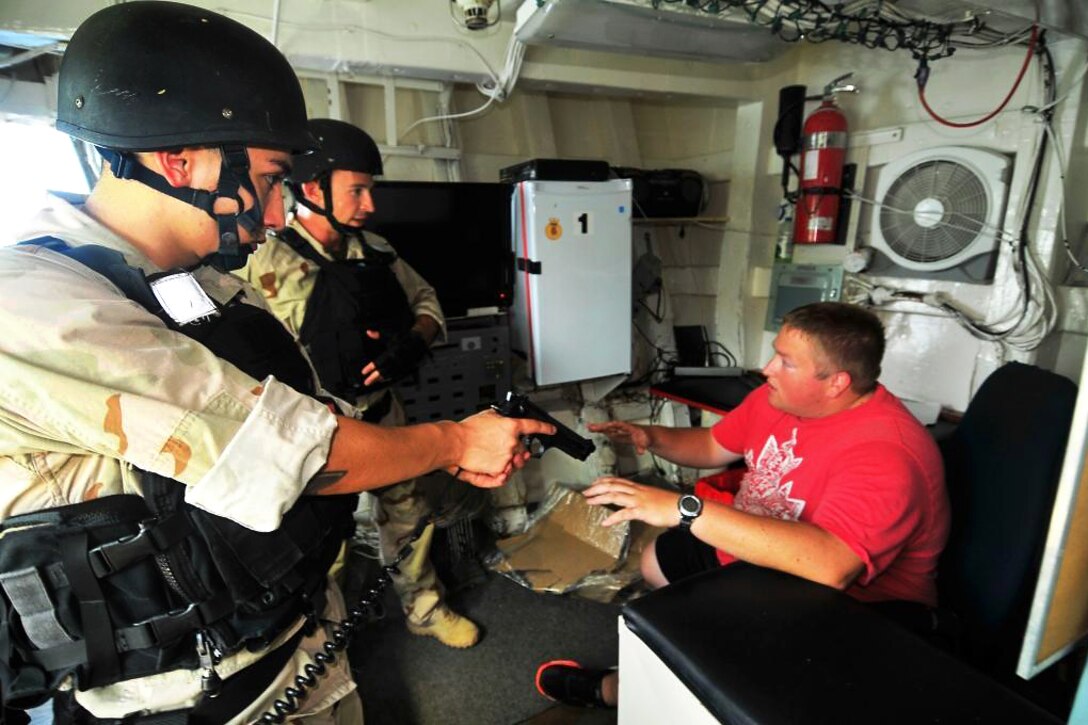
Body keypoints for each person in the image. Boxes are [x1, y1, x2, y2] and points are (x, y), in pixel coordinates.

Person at [0, 3, 551, 723]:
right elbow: (292, 453)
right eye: (267, 179)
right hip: (189, 695)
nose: (268, 215)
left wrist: (425, 448)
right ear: (180, 159)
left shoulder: (204, 285)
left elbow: (313, 410)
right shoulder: (40, 306)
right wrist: (451, 441)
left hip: (292, 638)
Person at [535, 301, 949, 708]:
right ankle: (689, 655)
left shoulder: (888, 452)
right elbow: (713, 445)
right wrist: (652, 437)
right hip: (766, 552)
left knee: (717, 653)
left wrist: (685, 509)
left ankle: (618, 689)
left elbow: (833, 566)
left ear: (836, 383)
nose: (767, 368)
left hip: (852, 601)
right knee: (659, 559)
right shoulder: (779, 401)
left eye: (785, 362)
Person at [237, 118, 479, 648]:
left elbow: (428, 303)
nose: (370, 204)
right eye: (358, 190)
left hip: (380, 411)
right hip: (313, 429)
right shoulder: (260, 260)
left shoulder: (378, 251)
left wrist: (412, 343)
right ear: (311, 188)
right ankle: (327, 632)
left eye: (371, 190)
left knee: (409, 518)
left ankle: (426, 609)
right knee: (325, 538)